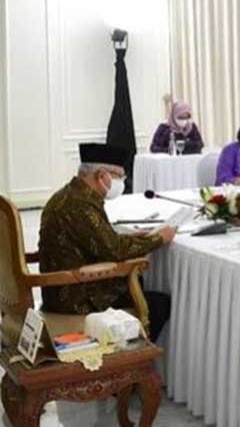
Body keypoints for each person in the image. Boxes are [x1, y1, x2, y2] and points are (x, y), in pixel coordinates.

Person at [38, 143, 174, 341]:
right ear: (102, 176)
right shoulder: (80, 205)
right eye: (119, 176)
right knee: (159, 303)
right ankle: (129, 361)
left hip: (62, 292)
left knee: (140, 286)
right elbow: (114, 250)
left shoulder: (68, 195)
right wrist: (160, 238)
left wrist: (133, 238)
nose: (121, 183)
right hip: (76, 299)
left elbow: (98, 241)